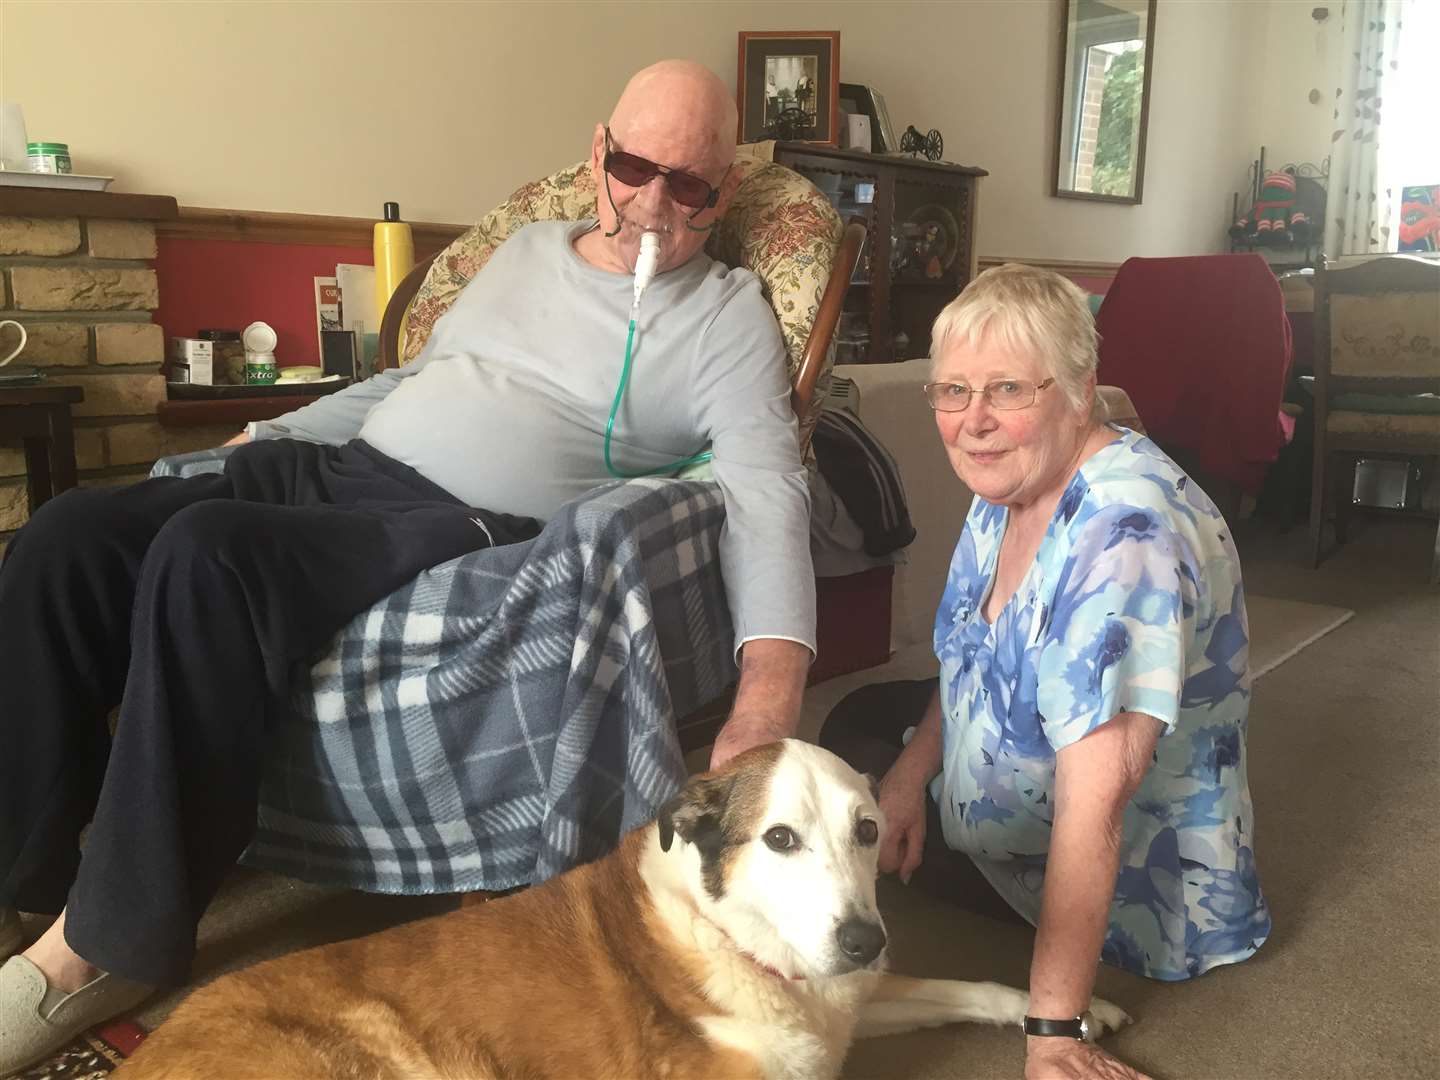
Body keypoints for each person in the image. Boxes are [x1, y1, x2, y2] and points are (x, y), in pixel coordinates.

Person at [0, 59, 815, 1071]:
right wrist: (262, 435)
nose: (652, 202)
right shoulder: (526, 253)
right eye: (635, 166)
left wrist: (770, 692)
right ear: (599, 153)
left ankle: (101, 945)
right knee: (66, 536)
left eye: (688, 185)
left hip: (461, 519)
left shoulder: (722, 314)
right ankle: (21, 883)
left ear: (722, 193)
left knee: (207, 557)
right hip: (343, 467)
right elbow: (417, 379)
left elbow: (767, 485)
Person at [821, 264, 1270, 1080]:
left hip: (1124, 880)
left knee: (840, 767)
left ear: (1078, 390)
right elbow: (966, 659)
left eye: (1006, 391)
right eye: (952, 392)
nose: (973, 422)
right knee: (851, 733)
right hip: (1010, 774)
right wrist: (906, 779)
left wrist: (1054, 1030)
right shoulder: (1010, 481)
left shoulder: (1125, 539)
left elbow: (1095, 802)